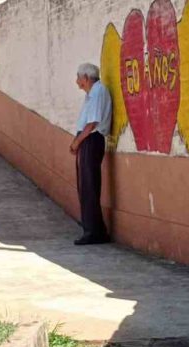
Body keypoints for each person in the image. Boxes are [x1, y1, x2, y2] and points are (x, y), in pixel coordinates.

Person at [70, 63, 112, 245]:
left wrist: (78, 141)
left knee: (89, 186)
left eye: (79, 77)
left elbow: (93, 122)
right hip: (88, 140)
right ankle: (92, 228)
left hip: (92, 140)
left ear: (86, 78)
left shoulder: (98, 92)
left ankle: (94, 232)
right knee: (85, 186)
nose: (77, 81)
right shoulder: (92, 94)